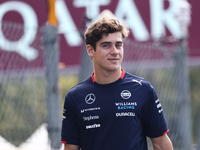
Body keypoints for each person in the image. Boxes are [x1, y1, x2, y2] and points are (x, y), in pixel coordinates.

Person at [61, 17, 173, 150]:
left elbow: (160, 144)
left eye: (118, 45)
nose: (114, 51)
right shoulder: (75, 97)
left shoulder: (143, 89)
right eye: (106, 45)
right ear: (90, 50)